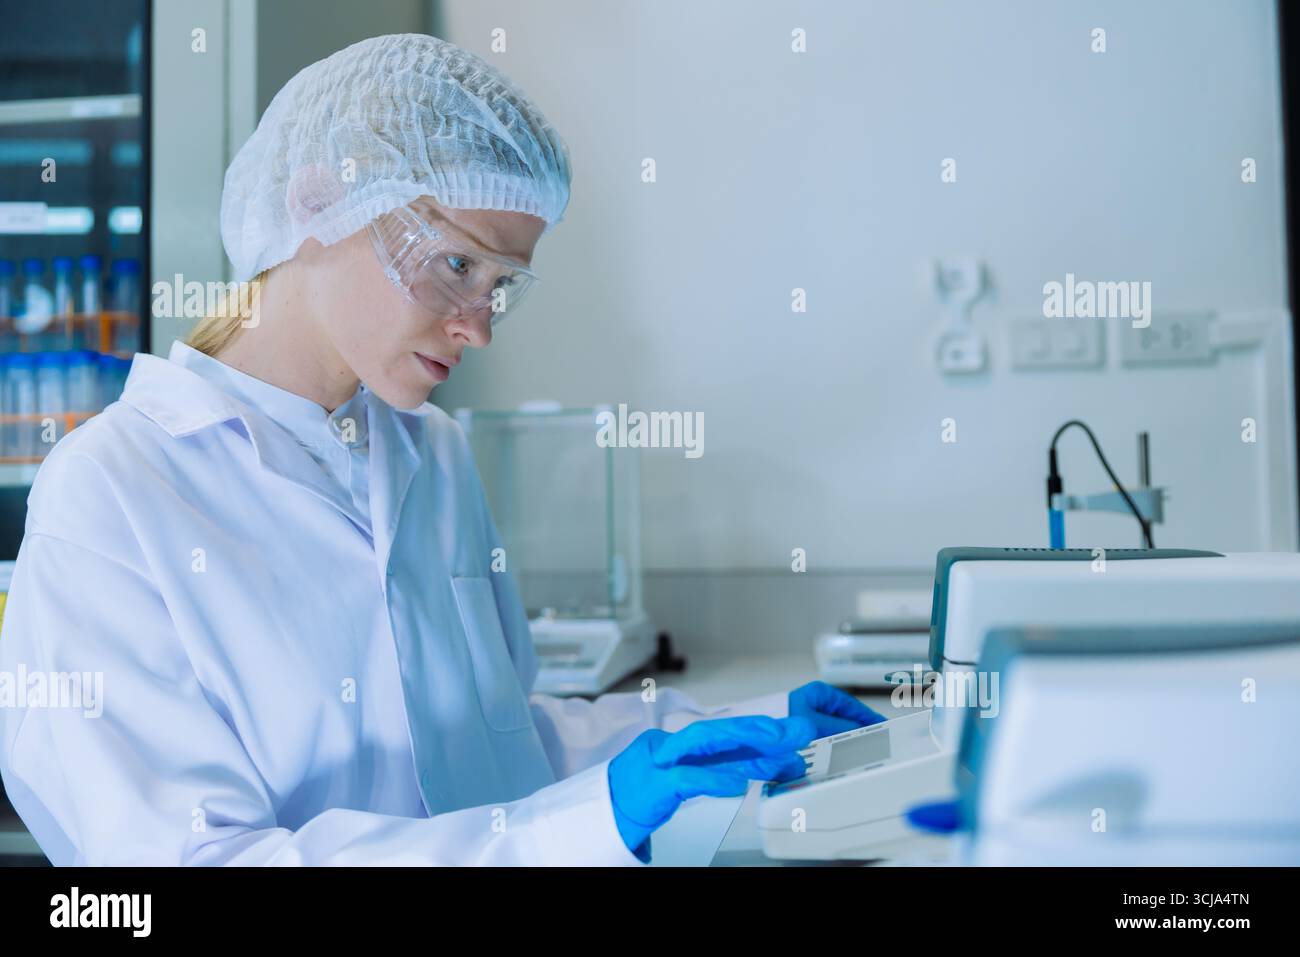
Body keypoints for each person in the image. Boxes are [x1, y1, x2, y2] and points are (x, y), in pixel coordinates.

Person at [0, 34, 882, 866]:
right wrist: (575, 827)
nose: (479, 328)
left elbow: (483, 746)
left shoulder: (436, 452)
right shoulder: (112, 494)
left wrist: (718, 727)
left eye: (503, 285)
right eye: (458, 266)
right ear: (317, 203)